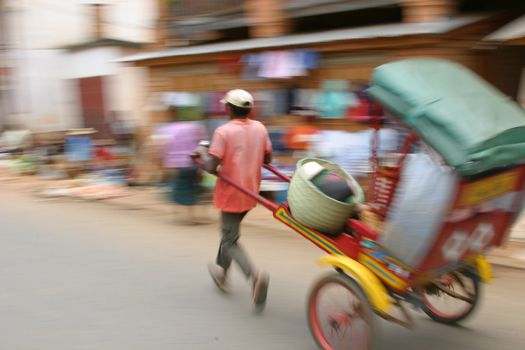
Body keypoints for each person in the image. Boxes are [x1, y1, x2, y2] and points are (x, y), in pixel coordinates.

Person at [203, 89, 272, 309]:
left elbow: (212, 168)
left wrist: (202, 159)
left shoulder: (223, 132)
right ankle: (222, 275)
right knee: (228, 233)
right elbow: (268, 157)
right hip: (250, 190)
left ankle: (254, 276)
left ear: (229, 108)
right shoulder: (260, 128)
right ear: (249, 110)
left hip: (231, 193)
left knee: (230, 239)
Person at [159, 118, 208, 224]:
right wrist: (203, 164)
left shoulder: (169, 129)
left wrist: (164, 163)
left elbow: (163, 147)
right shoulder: (196, 127)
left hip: (175, 164)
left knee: (178, 187)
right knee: (193, 189)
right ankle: (192, 218)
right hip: (192, 163)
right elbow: (202, 145)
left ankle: (178, 216)